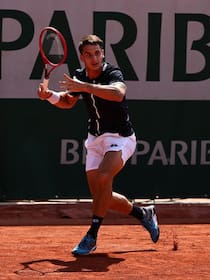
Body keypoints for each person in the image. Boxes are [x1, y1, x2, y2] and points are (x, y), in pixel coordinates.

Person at [37, 34, 159, 255]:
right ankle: (143, 214)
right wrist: (50, 96)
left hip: (120, 138)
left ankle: (91, 236)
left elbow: (118, 93)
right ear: (82, 57)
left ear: (102, 54)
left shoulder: (112, 73)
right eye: (89, 55)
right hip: (95, 141)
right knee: (102, 196)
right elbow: (68, 101)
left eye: (97, 53)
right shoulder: (79, 76)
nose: (94, 58)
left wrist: (85, 86)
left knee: (104, 178)